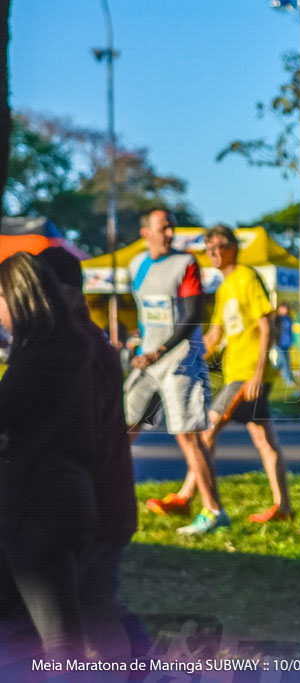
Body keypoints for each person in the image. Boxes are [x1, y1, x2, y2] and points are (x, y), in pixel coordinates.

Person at [35, 247, 143, 658]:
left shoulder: (75, 345)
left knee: (94, 613)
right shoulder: (87, 338)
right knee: (96, 610)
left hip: (95, 504)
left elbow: (75, 432)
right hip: (104, 500)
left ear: (60, 292)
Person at [0, 252, 97, 657]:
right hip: (66, 496)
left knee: (61, 643)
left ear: (18, 297)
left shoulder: (39, 357)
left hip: (38, 507)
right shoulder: (68, 347)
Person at [125, 209, 226, 534]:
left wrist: (160, 350)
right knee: (122, 428)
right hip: (148, 361)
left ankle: (213, 511)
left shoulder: (186, 264)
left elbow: (193, 315)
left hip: (180, 360)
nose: (169, 233)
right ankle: (113, 499)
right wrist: (140, 344)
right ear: (146, 232)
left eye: (170, 227)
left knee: (188, 436)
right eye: (163, 227)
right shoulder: (135, 265)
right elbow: (146, 314)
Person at [200, 225, 293, 523]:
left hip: (248, 374)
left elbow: (267, 326)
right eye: (209, 249)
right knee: (265, 441)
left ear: (233, 248)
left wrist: (257, 373)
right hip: (236, 373)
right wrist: (187, 358)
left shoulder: (247, 278)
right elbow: (215, 335)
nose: (214, 253)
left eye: (219, 246)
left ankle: (195, 500)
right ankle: (284, 507)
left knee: (206, 434)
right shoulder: (224, 287)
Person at [272, 303, 295, 387]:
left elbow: (290, 331)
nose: (285, 310)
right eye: (283, 308)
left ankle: (272, 372)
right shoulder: (277, 318)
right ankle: (289, 380)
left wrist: (291, 341)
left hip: (287, 343)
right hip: (279, 343)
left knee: (284, 362)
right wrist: (274, 340)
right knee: (284, 361)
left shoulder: (289, 319)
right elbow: (274, 330)